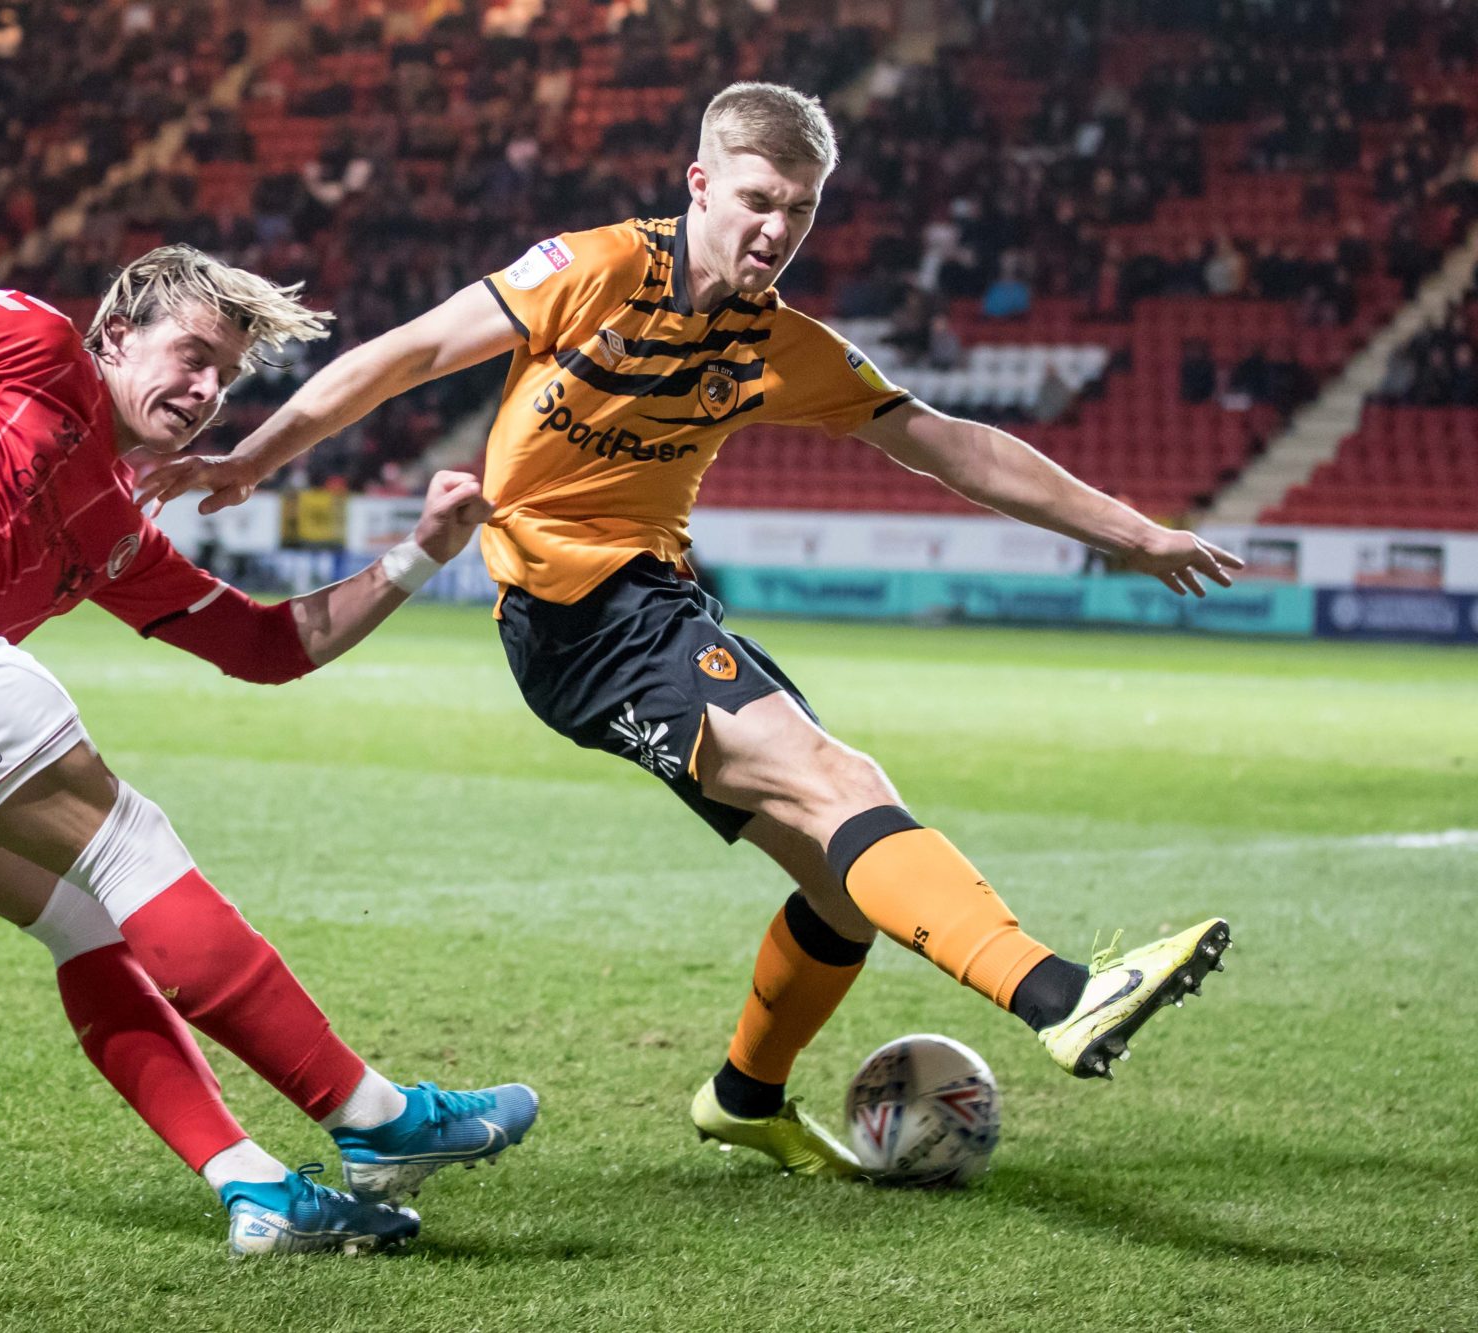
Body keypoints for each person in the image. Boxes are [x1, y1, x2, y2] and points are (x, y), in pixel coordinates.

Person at [139, 83, 1241, 1181]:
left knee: (843, 879)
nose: (776, 229)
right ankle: (1059, 994)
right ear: (700, 184)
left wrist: (1131, 531)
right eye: (758, 200)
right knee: (840, 781)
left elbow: (949, 442)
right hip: (581, 619)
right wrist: (256, 455)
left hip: (654, 605)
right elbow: (411, 353)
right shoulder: (594, 269)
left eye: (800, 209)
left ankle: (743, 1097)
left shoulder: (778, 343)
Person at [0, 248, 538, 1257]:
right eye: (192, 355)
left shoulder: (119, 532)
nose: (207, 390)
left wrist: (420, 552)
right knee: (129, 848)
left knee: (84, 919)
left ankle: (255, 1187)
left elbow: (268, 647)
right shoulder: (37, 346)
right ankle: (378, 1118)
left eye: (226, 376)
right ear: (118, 335)